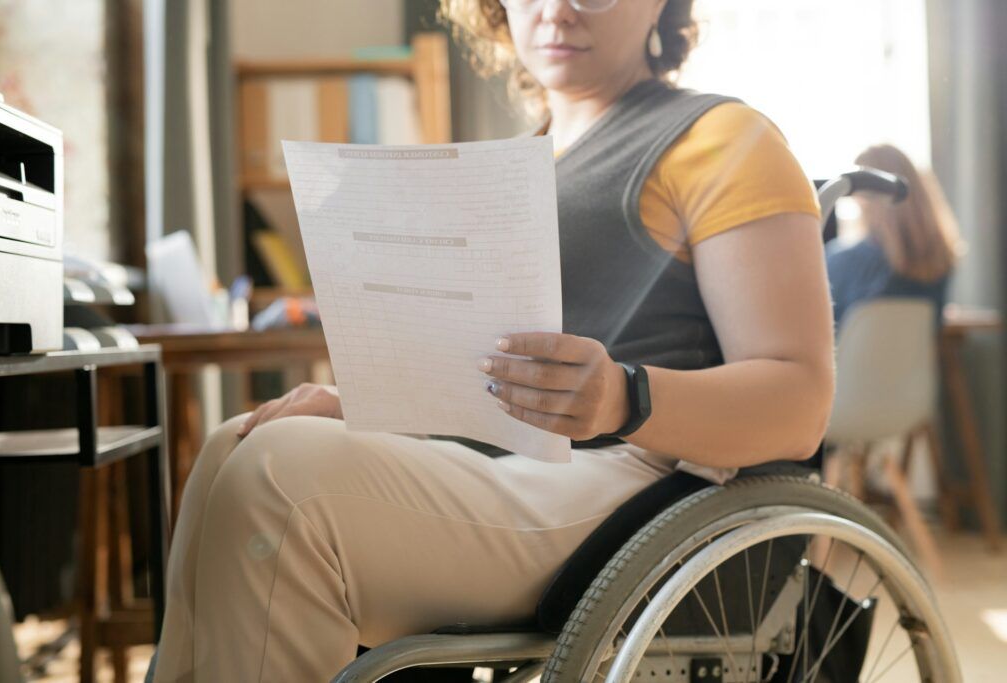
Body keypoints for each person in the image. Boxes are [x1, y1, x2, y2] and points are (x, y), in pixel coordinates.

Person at [151, 0, 834, 680]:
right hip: (503, 461)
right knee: (233, 444)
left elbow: (799, 402)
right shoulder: (523, 160)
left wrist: (624, 396)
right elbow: (474, 372)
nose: (558, 10)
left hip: (634, 477)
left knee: (279, 478)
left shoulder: (723, 137)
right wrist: (362, 403)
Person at [826, 144, 963, 328]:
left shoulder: (843, 259)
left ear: (869, 198)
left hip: (847, 356)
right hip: (915, 358)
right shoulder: (940, 258)